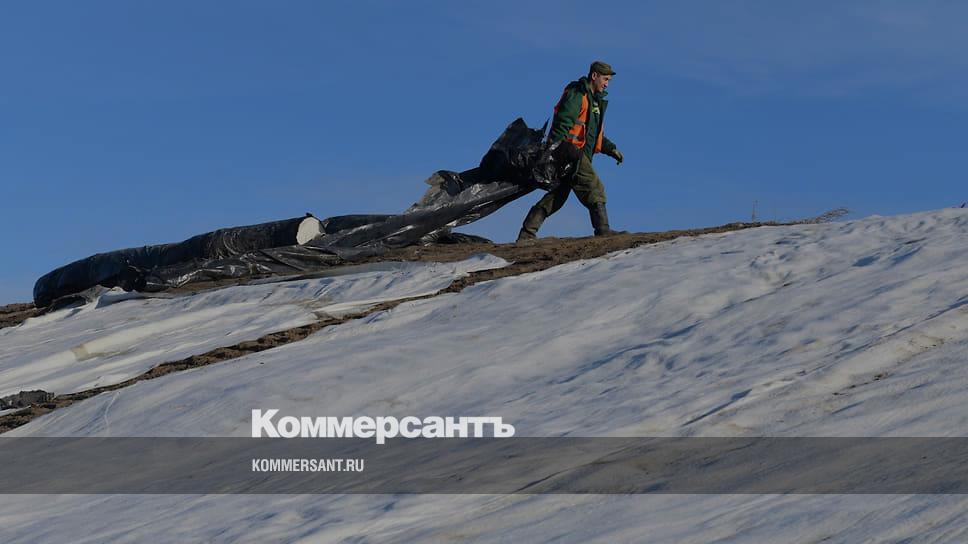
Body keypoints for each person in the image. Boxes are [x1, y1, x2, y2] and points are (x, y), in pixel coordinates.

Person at [517, 61, 626, 242]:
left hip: (576, 153)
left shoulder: (594, 102)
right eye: (605, 79)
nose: (607, 84)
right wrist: (556, 151)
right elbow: (562, 123)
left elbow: (594, 134)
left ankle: (526, 233)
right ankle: (603, 230)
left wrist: (611, 148)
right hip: (570, 152)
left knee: (557, 196)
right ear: (594, 76)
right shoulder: (578, 94)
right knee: (594, 186)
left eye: (609, 80)